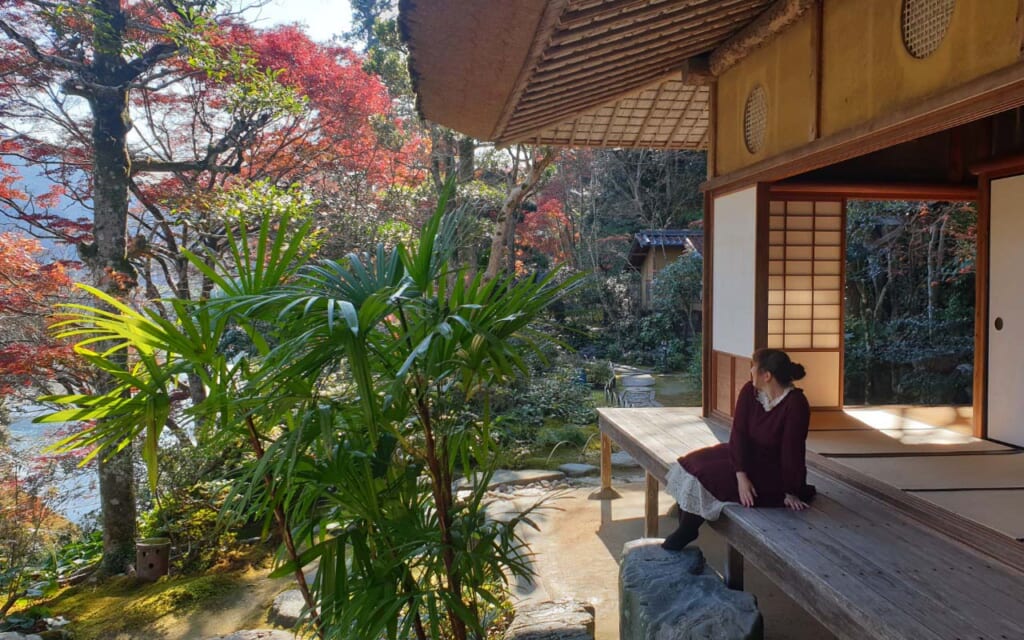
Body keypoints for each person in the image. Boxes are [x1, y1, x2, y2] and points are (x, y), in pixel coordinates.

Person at [661, 348, 816, 551]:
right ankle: (686, 527)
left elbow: (792, 452)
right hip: (745, 456)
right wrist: (740, 474)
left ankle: (686, 531)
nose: (750, 371)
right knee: (692, 463)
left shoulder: (795, 404)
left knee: (708, 477)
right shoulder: (749, 392)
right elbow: (739, 434)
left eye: (754, 367)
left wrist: (791, 491)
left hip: (773, 471)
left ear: (767, 375)